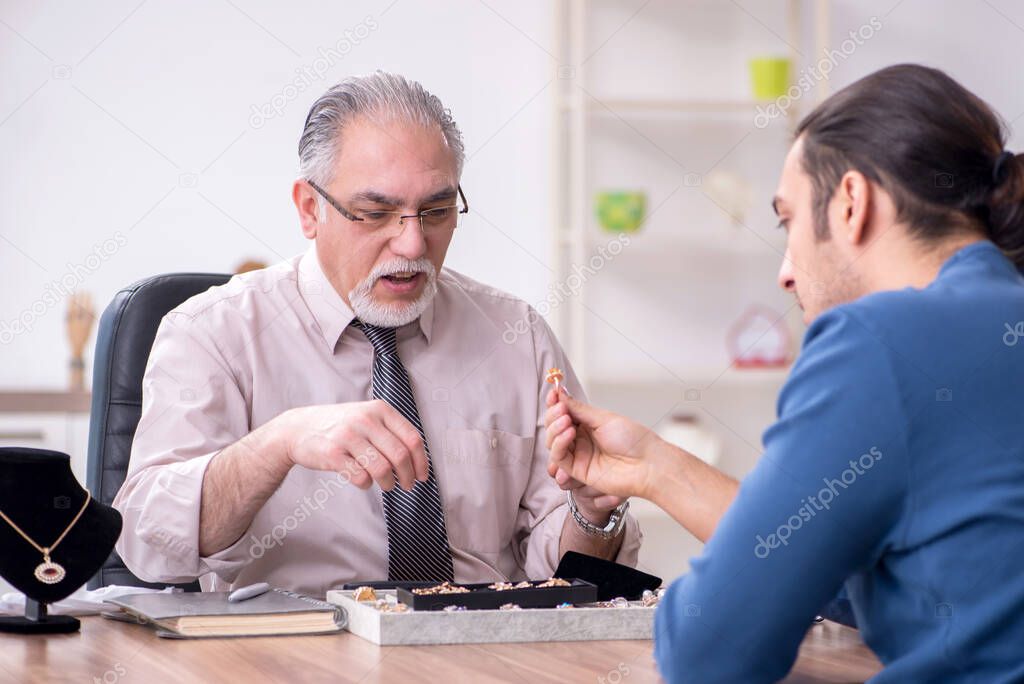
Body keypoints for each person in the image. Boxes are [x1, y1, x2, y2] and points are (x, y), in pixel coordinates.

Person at [546, 64, 1024, 682]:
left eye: (788, 221)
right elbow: (884, 580)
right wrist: (656, 468)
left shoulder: (877, 341)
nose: (786, 272)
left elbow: (710, 650)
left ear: (852, 203)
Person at [113, 72, 640, 597]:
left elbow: (559, 572)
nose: (412, 245)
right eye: (374, 213)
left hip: (475, 652)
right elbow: (148, 544)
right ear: (309, 209)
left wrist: (593, 514)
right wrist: (280, 442)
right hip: (289, 654)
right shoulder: (213, 331)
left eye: (435, 211)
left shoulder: (517, 336)